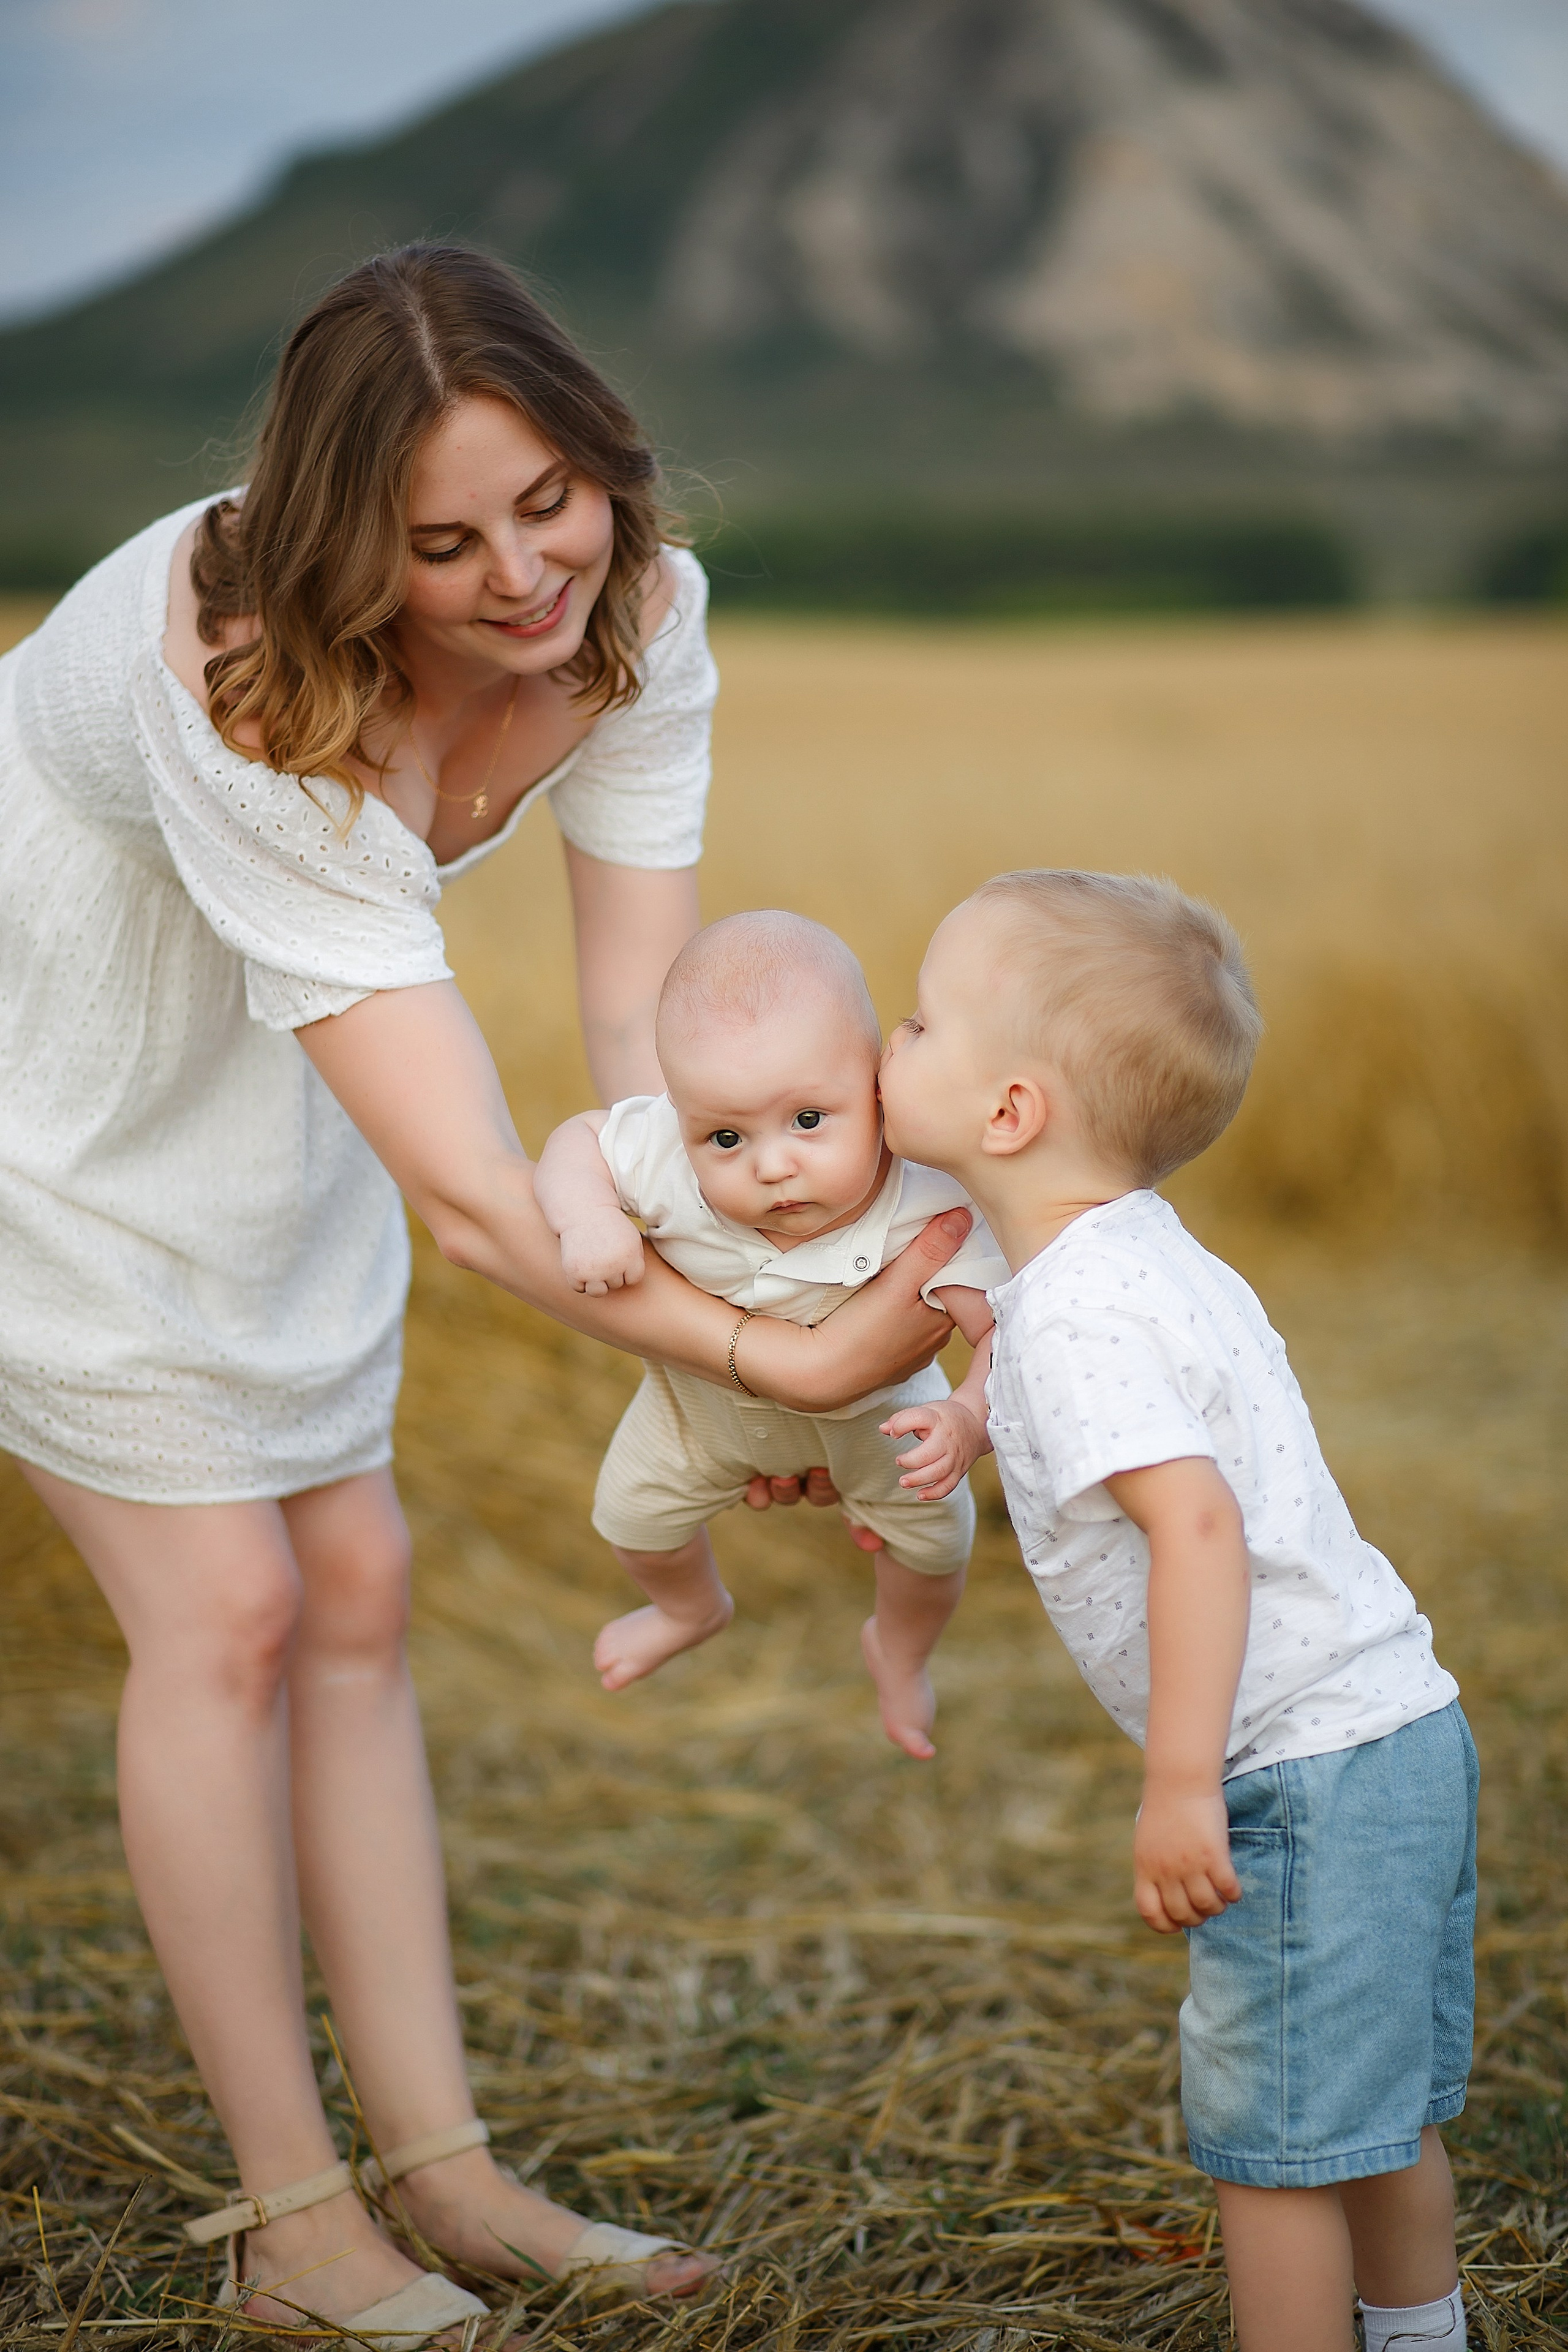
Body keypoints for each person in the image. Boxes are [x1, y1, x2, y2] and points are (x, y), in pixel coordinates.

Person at [0, 244, 968, 2347]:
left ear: (604, 456)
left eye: (550, 502)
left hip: (279, 1082)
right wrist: (789, 1354)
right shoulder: (240, 681)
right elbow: (465, 1194)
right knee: (228, 1614)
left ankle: (446, 2177)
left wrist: (747, 1364)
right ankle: (292, 2228)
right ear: (343, 547)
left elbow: (647, 1050)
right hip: (54, 1083)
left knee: (358, 1587)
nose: (522, 575)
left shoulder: (642, 618)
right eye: (442, 548)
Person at [876, 869, 1476, 2352]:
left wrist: (1179, 1782)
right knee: (1373, 2115)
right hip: (1396, 1734)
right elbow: (1072, 1361)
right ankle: (1421, 2333)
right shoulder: (1119, 1253)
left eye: (917, 1021)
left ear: (1008, 1113)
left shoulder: (1076, 1313)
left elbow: (1194, 1528)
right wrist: (972, 1412)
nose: (887, 1038)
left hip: (1293, 1774)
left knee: (1272, 2156)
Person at [535, 911, 1008, 1757]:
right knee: (631, 1519)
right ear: (679, 1113)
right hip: (696, 1415)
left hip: (885, 1433)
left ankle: (901, 1652)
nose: (772, 1164)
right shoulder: (661, 1157)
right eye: (725, 1137)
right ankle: (690, 1608)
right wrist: (590, 1215)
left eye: (809, 1120)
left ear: (876, 1086)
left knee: (938, 1549)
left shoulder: (930, 1196)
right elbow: (580, 1139)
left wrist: (969, 1416)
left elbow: (1002, 1336)